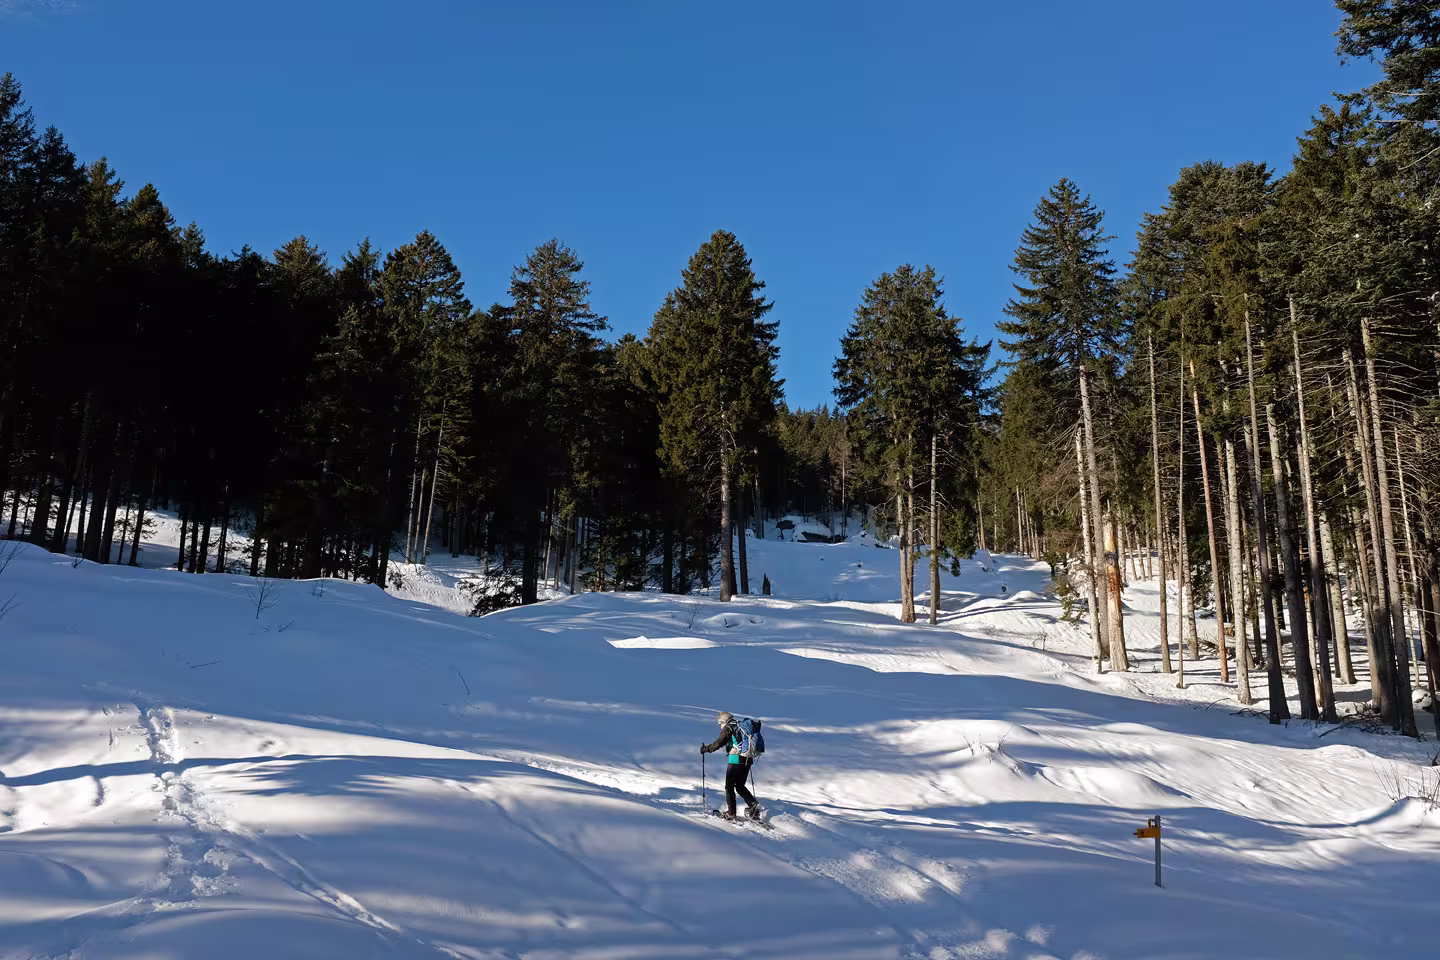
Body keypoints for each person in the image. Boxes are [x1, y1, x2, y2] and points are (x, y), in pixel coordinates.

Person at [701, 711, 760, 820]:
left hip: (735, 760)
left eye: (720, 724)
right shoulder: (739, 725)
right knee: (740, 786)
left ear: (723, 721)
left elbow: (719, 743)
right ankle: (753, 806)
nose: (720, 726)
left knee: (729, 787)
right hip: (748, 759)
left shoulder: (728, 727)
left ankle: (731, 813)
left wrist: (706, 749)